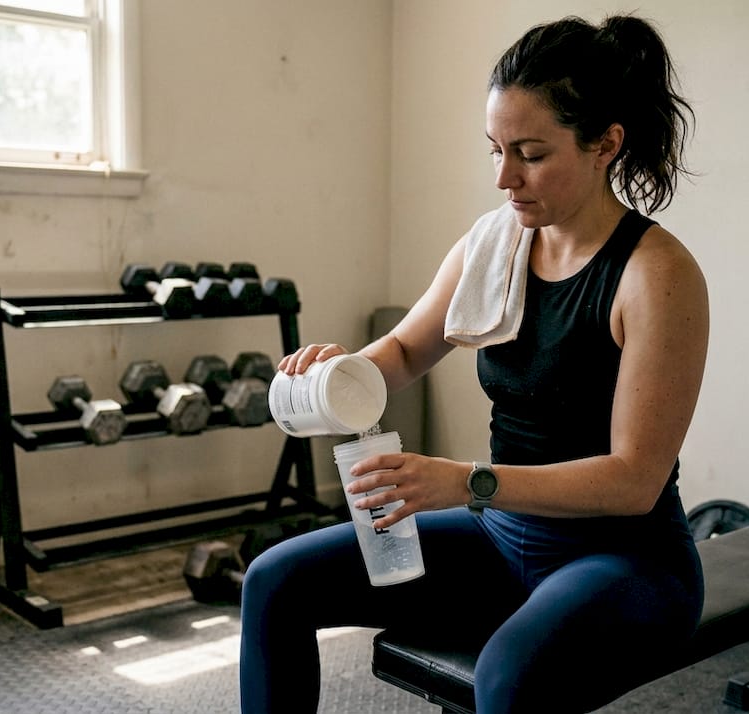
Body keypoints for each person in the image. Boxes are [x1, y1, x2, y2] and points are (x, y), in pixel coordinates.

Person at [239, 13, 708, 714]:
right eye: (495, 148)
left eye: (530, 153)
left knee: (508, 677)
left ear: (605, 144)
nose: (504, 177)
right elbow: (401, 350)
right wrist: (339, 372)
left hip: (624, 560)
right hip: (497, 537)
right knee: (275, 581)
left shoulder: (656, 276)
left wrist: (464, 482)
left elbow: (632, 482)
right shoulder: (494, 244)